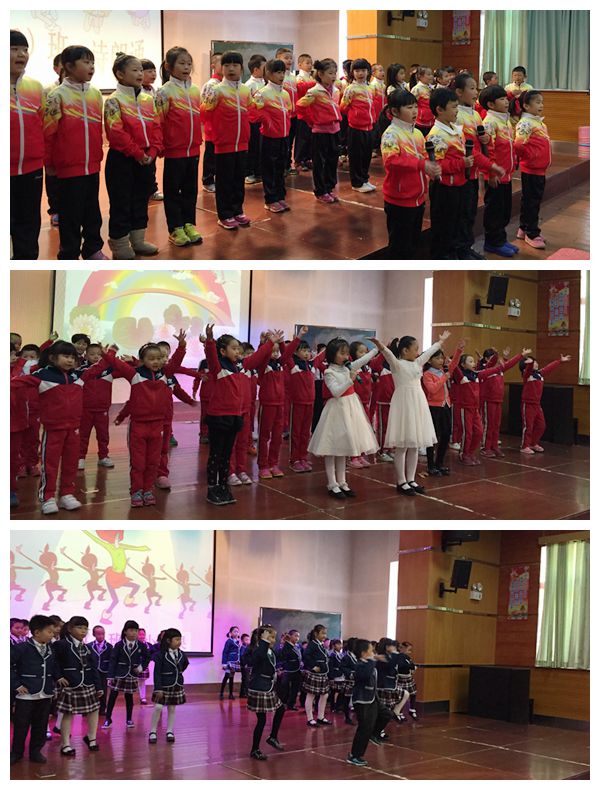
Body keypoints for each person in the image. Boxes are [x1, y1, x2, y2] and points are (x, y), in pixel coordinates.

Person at [10, 340, 113, 514]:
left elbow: (99, 367)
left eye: (73, 357)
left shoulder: (78, 376)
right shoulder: (41, 375)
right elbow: (14, 383)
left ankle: (66, 494)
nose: (70, 360)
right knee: (50, 465)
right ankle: (48, 497)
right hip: (53, 430)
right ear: (52, 358)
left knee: (71, 464)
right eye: (66, 356)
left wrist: (108, 354)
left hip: (74, 429)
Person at [100, 331, 187, 507]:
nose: (156, 362)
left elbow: (176, 361)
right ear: (142, 360)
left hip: (157, 426)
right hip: (138, 426)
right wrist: (106, 354)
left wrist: (182, 346)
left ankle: (148, 490)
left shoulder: (165, 374)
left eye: (159, 358)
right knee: (138, 463)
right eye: (151, 359)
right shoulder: (134, 374)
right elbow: (117, 363)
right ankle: (136, 491)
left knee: (153, 462)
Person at [203, 324, 283, 504]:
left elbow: (258, 356)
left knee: (226, 454)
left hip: (235, 416)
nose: (238, 351)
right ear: (223, 351)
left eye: (239, 348)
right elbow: (211, 355)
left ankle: (224, 486)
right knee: (216, 455)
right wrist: (209, 340)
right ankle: (212, 488)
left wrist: (270, 342)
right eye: (234, 348)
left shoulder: (242, 365)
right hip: (219, 417)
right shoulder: (218, 367)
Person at [44, 45, 107, 260]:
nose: (91, 67)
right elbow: (49, 132)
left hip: (92, 165)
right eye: (86, 62)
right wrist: (49, 163)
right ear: (69, 67)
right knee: (71, 214)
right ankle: (69, 253)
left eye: (92, 62)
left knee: (92, 212)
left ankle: (93, 249)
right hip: (68, 167)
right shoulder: (57, 96)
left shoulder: (96, 94)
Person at [369, 331, 451, 495]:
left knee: (414, 445)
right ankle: (401, 481)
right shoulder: (397, 364)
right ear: (405, 350)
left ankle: (411, 479)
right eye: (415, 349)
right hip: (404, 405)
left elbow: (428, 353)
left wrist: (440, 342)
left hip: (417, 403)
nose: (418, 352)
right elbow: (388, 354)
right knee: (402, 446)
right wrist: (380, 346)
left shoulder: (418, 363)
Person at [104, 53, 163, 259]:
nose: (140, 74)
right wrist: (137, 153)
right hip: (123, 159)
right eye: (135, 70)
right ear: (120, 74)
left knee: (140, 200)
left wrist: (153, 151)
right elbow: (116, 133)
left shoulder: (148, 99)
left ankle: (138, 240)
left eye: (141, 70)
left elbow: (156, 126)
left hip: (146, 158)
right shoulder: (114, 100)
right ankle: (119, 244)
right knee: (121, 202)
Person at [308, 337, 379, 498]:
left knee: (343, 449)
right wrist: (350, 380)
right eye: (342, 353)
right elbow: (336, 392)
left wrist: (377, 349)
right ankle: (332, 483)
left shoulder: (348, 367)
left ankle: (342, 482)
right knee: (332, 448)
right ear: (332, 354)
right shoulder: (329, 372)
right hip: (336, 410)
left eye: (347, 353)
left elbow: (364, 360)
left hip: (350, 409)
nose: (346, 356)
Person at [381, 89, 440, 260]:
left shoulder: (417, 133)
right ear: (394, 111)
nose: (415, 111)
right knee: (400, 246)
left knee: (413, 241)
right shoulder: (391, 134)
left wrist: (431, 167)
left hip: (418, 197)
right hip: (399, 200)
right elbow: (391, 161)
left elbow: (424, 156)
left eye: (415, 106)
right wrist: (422, 164)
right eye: (409, 108)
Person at [455, 72, 505, 259]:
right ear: (459, 92)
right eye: (472, 88)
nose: (476, 92)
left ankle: (467, 248)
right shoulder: (456, 115)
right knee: (462, 213)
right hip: (463, 172)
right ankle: (461, 250)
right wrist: (490, 166)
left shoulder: (475, 114)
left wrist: (484, 139)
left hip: (475, 171)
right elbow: (463, 146)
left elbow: (482, 143)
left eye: (476, 87)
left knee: (470, 212)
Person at [156, 46, 203, 247]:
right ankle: (175, 228)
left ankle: (189, 223)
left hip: (194, 149)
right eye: (181, 63)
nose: (186, 67)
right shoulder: (164, 92)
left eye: (189, 63)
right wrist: (162, 146)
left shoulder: (195, 90)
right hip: (175, 151)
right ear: (169, 67)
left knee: (191, 190)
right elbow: (159, 121)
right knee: (173, 191)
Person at [201, 51, 253, 230]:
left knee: (239, 179)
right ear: (221, 68)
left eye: (235, 65)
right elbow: (205, 115)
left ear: (241, 68)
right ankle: (224, 214)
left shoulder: (246, 90)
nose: (231, 69)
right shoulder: (216, 90)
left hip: (242, 143)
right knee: (224, 181)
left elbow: (251, 111)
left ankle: (237, 210)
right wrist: (217, 133)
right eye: (227, 65)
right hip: (223, 144)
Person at [452, 347, 528, 464]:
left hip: (475, 409)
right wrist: (458, 352)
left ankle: (471, 453)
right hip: (465, 408)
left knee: (479, 432)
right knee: (468, 433)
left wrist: (520, 355)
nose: (473, 363)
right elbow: (453, 366)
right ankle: (464, 454)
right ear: (463, 365)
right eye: (470, 361)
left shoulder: (477, 375)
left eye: (473, 361)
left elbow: (500, 367)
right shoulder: (461, 376)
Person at [426, 88, 473, 259]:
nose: (457, 110)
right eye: (453, 107)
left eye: (457, 106)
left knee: (457, 222)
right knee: (444, 225)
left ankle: (456, 252)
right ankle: (443, 257)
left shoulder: (454, 128)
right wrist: (462, 163)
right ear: (439, 109)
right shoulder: (436, 135)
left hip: (459, 184)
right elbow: (437, 165)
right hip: (444, 188)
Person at [11, 614, 64, 765]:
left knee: (40, 725)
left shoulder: (51, 648)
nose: (52, 634)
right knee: (21, 725)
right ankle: (16, 752)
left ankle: (35, 751)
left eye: (53, 632)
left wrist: (59, 677)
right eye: (49, 631)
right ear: (36, 632)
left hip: (45, 693)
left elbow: (54, 666)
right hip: (26, 694)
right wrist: (16, 684)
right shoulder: (21, 648)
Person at [10, 29, 45, 260]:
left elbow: (43, 125)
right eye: (14, 49)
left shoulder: (35, 87)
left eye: (24, 49)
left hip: (32, 170)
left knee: (29, 225)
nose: (21, 54)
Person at [52, 616, 103, 755]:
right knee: (68, 714)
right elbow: (54, 663)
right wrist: (59, 677)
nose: (83, 631)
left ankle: (91, 738)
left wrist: (98, 687)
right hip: (70, 684)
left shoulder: (87, 647)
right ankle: (65, 744)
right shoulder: (61, 644)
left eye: (86, 628)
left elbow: (93, 668)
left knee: (94, 710)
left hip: (88, 684)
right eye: (79, 627)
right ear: (69, 629)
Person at [297, 59, 343, 204]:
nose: (333, 76)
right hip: (320, 132)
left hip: (335, 130)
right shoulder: (314, 91)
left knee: (332, 160)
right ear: (321, 74)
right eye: (330, 73)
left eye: (335, 73)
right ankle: (321, 191)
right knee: (320, 162)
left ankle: (329, 188)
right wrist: (312, 120)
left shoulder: (336, 91)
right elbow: (300, 106)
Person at [256, 331, 300, 479]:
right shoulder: (263, 366)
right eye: (272, 351)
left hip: (280, 405)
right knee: (264, 436)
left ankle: (273, 463)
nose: (275, 354)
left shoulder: (280, 364)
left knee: (277, 437)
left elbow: (287, 353)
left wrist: (291, 340)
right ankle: (263, 465)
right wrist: (263, 344)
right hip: (267, 404)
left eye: (277, 351)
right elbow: (261, 355)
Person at [479, 85, 517, 258]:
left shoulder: (505, 119)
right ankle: (492, 242)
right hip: (495, 176)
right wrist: (491, 174)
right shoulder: (490, 122)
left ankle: (501, 238)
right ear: (491, 104)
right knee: (494, 210)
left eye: (506, 98)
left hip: (506, 174)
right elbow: (488, 150)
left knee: (504, 209)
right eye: (501, 99)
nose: (506, 101)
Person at [253, 59, 292, 213]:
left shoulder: (285, 93)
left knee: (281, 168)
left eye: (283, 72)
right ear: (268, 74)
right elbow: (254, 114)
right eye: (278, 72)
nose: (281, 76)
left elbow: (288, 112)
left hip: (284, 136)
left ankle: (280, 196)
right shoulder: (262, 93)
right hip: (269, 137)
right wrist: (267, 121)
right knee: (269, 168)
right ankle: (270, 199)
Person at [346, 638, 392, 767]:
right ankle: (354, 755)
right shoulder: (360, 665)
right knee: (364, 728)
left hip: (372, 698)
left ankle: (374, 734)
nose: (374, 653)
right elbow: (365, 675)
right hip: (362, 700)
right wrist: (373, 660)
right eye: (371, 650)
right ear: (363, 653)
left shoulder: (369, 663)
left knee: (387, 714)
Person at [514, 90, 551, 249]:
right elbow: (518, 144)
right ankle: (531, 233)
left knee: (530, 200)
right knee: (532, 202)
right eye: (537, 102)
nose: (541, 105)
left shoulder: (538, 122)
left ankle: (523, 229)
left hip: (538, 169)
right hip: (531, 169)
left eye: (542, 102)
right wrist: (531, 157)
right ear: (526, 106)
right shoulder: (526, 123)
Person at [422, 340, 464, 475]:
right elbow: (432, 389)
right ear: (430, 360)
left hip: (446, 406)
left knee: (446, 435)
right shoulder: (427, 374)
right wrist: (445, 377)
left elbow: (454, 364)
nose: (441, 361)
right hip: (434, 408)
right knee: (433, 437)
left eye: (442, 358)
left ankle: (439, 463)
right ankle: (430, 465)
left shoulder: (443, 371)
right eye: (437, 358)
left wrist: (459, 350)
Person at [284, 330, 324, 472]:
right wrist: (298, 337)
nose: (307, 353)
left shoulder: (311, 365)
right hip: (297, 404)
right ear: (296, 352)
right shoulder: (292, 365)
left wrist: (335, 343)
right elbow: (286, 353)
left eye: (308, 350)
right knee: (296, 432)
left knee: (305, 433)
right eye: (303, 350)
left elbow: (322, 355)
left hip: (310, 403)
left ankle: (302, 457)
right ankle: (294, 459)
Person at [247, 626, 287, 760]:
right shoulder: (258, 649)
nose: (273, 640)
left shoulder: (270, 650)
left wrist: (285, 643)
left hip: (268, 686)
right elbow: (258, 658)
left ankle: (272, 737)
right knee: (262, 720)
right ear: (263, 637)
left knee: (281, 709)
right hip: (259, 687)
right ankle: (255, 749)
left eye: (274, 637)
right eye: (271, 637)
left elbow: (281, 656)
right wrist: (264, 641)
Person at [77, 343, 119, 470]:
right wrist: (110, 353)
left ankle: (103, 456)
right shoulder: (81, 370)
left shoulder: (110, 370)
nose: (96, 357)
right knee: (83, 435)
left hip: (102, 409)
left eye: (99, 354)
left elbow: (126, 370)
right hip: (85, 409)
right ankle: (80, 457)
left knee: (103, 435)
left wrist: (113, 356)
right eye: (92, 354)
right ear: (86, 356)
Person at [520, 353, 571, 454]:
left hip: (537, 404)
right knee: (528, 426)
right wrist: (530, 364)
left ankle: (533, 443)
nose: (536, 363)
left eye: (535, 362)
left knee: (541, 425)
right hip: (528, 404)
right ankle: (525, 446)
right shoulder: (526, 375)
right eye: (533, 362)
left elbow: (549, 368)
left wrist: (559, 361)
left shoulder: (539, 374)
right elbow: (528, 370)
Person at [104, 619, 150, 729]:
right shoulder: (119, 645)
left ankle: (129, 719)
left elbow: (147, 657)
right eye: (131, 630)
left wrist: (141, 667)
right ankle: (108, 719)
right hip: (118, 674)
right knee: (112, 697)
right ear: (125, 631)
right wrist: (110, 676)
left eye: (136, 631)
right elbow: (113, 660)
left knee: (129, 697)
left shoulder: (141, 645)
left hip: (132, 674)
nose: (134, 633)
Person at [341, 58, 376, 193]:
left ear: (368, 71)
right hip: (356, 128)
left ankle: (364, 179)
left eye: (363, 70)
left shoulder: (370, 88)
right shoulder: (351, 89)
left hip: (369, 127)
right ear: (352, 72)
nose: (360, 73)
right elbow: (343, 107)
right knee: (356, 156)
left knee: (366, 155)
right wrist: (355, 116)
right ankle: (357, 183)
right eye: (357, 71)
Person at [149, 628, 189, 744]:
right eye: (176, 639)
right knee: (158, 707)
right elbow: (157, 673)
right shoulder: (160, 655)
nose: (179, 642)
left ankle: (170, 731)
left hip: (176, 685)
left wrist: (177, 674)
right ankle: (152, 731)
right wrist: (158, 688)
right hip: (163, 685)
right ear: (168, 640)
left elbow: (185, 664)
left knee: (172, 708)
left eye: (180, 639)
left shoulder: (181, 654)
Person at [199, 53, 222, 194]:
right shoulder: (211, 85)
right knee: (211, 156)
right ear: (213, 65)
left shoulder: (227, 84)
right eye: (223, 64)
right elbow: (205, 109)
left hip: (223, 128)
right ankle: (207, 181)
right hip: (212, 128)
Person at [302, 624, 332, 726]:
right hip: (315, 674)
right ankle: (310, 719)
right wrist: (313, 666)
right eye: (322, 633)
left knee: (325, 695)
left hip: (323, 674)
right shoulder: (312, 644)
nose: (325, 636)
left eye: (325, 633)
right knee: (311, 695)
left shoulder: (320, 644)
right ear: (316, 634)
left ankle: (320, 717)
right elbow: (306, 656)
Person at [375, 638, 410, 724]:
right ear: (387, 647)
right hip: (383, 686)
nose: (395, 648)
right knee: (383, 709)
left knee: (405, 694)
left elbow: (402, 663)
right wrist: (395, 653)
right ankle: (379, 728)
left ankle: (395, 713)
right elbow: (391, 664)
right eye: (393, 646)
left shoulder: (389, 656)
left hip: (389, 684)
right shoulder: (382, 657)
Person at [244, 54, 267, 186]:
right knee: (252, 147)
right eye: (264, 67)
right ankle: (249, 173)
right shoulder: (249, 85)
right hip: (252, 121)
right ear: (256, 69)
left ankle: (259, 171)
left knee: (261, 147)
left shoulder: (265, 82)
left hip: (262, 120)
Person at [294, 53, 315, 170]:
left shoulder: (311, 78)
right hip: (302, 112)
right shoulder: (299, 78)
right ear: (300, 65)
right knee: (302, 138)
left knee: (310, 138)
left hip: (311, 112)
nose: (310, 65)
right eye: (307, 63)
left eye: (311, 63)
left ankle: (307, 159)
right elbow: (301, 89)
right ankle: (299, 160)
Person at [87, 625, 112, 718]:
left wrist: (110, 674)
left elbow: (111, 660)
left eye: (102, 634)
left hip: (103, 671)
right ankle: (90, 708)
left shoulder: (109, 646)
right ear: (94, 634)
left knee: (103, 690)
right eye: (98, 634)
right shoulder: (89, 646)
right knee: (91, 690)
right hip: (92, 672)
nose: (101, 636)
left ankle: (102, 709)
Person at [279, 629, 302, 710]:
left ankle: (291, 704)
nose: (297, 638)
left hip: (297, 670)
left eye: (298, 636)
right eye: (295, 636)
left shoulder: (296, 646)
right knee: (285, 688)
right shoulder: (286, 646)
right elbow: (283, 658)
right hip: (288, 670)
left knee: (295, 689)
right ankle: (283, 704)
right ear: (290, 636)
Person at [396, 641, 418, 720]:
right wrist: (411, 667)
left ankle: (412, 709)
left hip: (409, 678)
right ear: (403, 648)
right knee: (401, 696)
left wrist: (412, 667)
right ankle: (400, 712)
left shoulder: (407, 657)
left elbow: (412, 665)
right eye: (409, 650)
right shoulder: (398, 657)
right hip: (401, 678)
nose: (410, 652)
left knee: (413, 693)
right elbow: (402, 666)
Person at [411, 66, 434, 137]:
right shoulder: (417, 88)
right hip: (421, 118)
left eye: (431, 74)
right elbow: (411, 102)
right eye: (428, 74)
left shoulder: (431, 87)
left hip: (431, 117)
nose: (431, 76)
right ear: (420, 76)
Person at [220, 626, 241, 700]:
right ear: (230, 633)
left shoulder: (237, 642)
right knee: (226, 676)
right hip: (229, 662)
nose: (236, 633)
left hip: (235, 662)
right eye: (235, 631)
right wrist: (224, 663)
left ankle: (231, 694)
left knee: (232, 677)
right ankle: (221, 693)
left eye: (237, 631)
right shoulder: (229, 641)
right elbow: (225, 652)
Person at [239, 633, 251, 698]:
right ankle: (245, 693)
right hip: (244, 666)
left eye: (249, 639)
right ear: (242, 641)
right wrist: (245, 664)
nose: (248, 641)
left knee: (245, 679)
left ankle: (243, 693)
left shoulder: (248, 648)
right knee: (245, 679)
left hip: (247, 666)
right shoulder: (243, 648)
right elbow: (242, 656)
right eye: (246, 640)